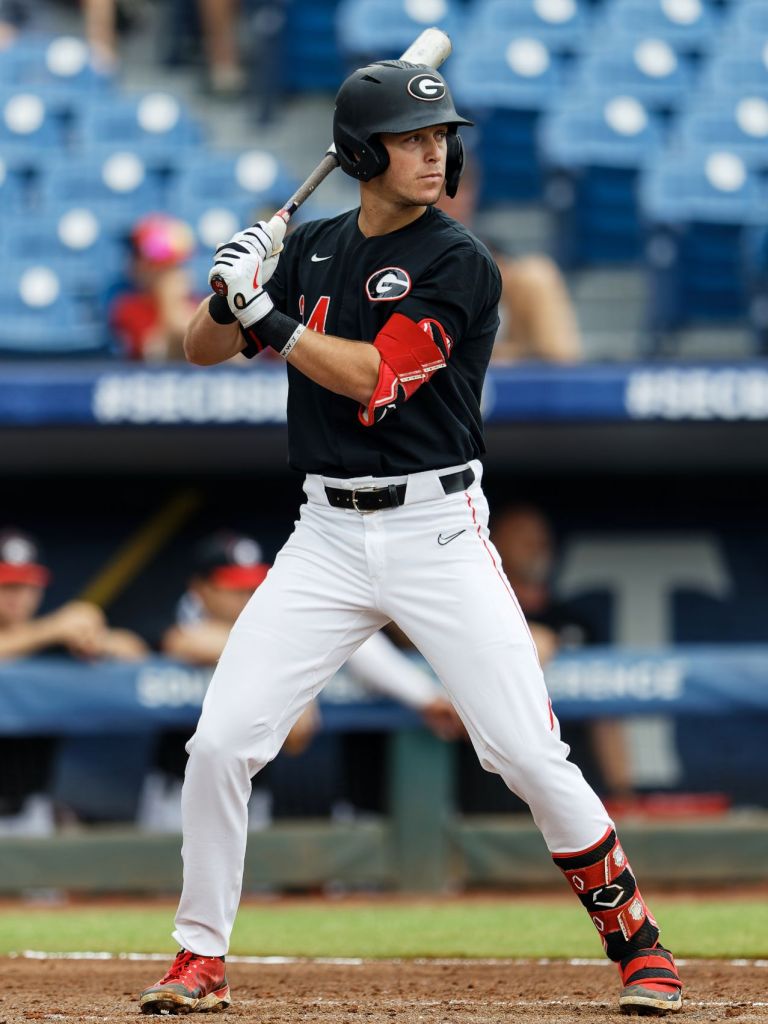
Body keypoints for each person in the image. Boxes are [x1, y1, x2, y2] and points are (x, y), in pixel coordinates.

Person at [139, 60, 683, 1016]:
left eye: (441, 137)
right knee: (221, 742)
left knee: (521, 749)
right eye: (412, 138)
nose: (435, 153)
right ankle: (199, 958)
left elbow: (373, 379)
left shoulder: (458, 260)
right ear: (359, 153)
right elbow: (200, 347)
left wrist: (264, 316)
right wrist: (232, 288)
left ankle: (636, 940)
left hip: (437, 529)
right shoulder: (307, 246)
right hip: (324, 536)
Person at [161, 529, 464, 754]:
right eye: (233, 587)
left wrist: (425, 697)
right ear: (201, 588)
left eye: (253, 585)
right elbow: (185, 642)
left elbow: (355, 640)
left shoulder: (269, 620)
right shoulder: (184, 614)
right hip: (174, 789)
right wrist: (291, 674)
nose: (247, 595)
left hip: (254, 790)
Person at [0, 527, 147, 824]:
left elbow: (136, 651)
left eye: (27, 586)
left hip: (30, 810)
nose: (18, 597)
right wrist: (54, 626)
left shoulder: (50, 642)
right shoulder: (47, 632)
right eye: (7, 586)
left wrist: (95, 638)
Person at [491, 504, 634, 802]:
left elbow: (606, 717)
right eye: (523, 538)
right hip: (495, 789)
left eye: (542, 538)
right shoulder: (484, 620)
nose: (537, 547)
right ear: (495, 543)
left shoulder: (577, 622)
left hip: (573, 789)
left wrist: (622, 790)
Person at [110, 214, 199, 362]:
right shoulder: (128, 308)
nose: (130, 262)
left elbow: (234, 361)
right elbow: (155, 356)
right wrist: (170, 306)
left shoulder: (200, 307)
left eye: (137, 255)